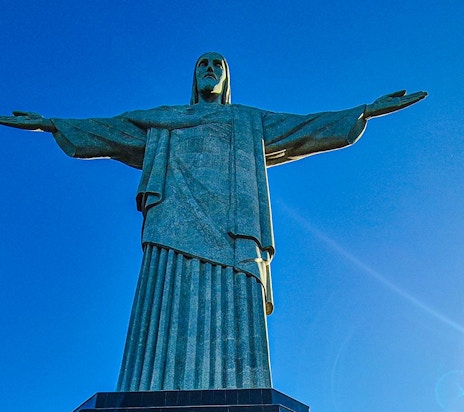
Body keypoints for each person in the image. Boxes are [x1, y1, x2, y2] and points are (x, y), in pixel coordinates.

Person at [0, 52, 426, 391]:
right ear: (194, 77)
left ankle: (240, 391)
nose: (209, 70)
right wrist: (51, 124)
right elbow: (110, 130)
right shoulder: (164, 119)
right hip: (171, 224)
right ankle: (152, 389)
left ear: (226, 78)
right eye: (202, 64)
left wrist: (365, 112)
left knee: (236, 305)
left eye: (217, 65)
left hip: (235, 231)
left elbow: (307, 128)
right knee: (165, 302)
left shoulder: (249, 121)